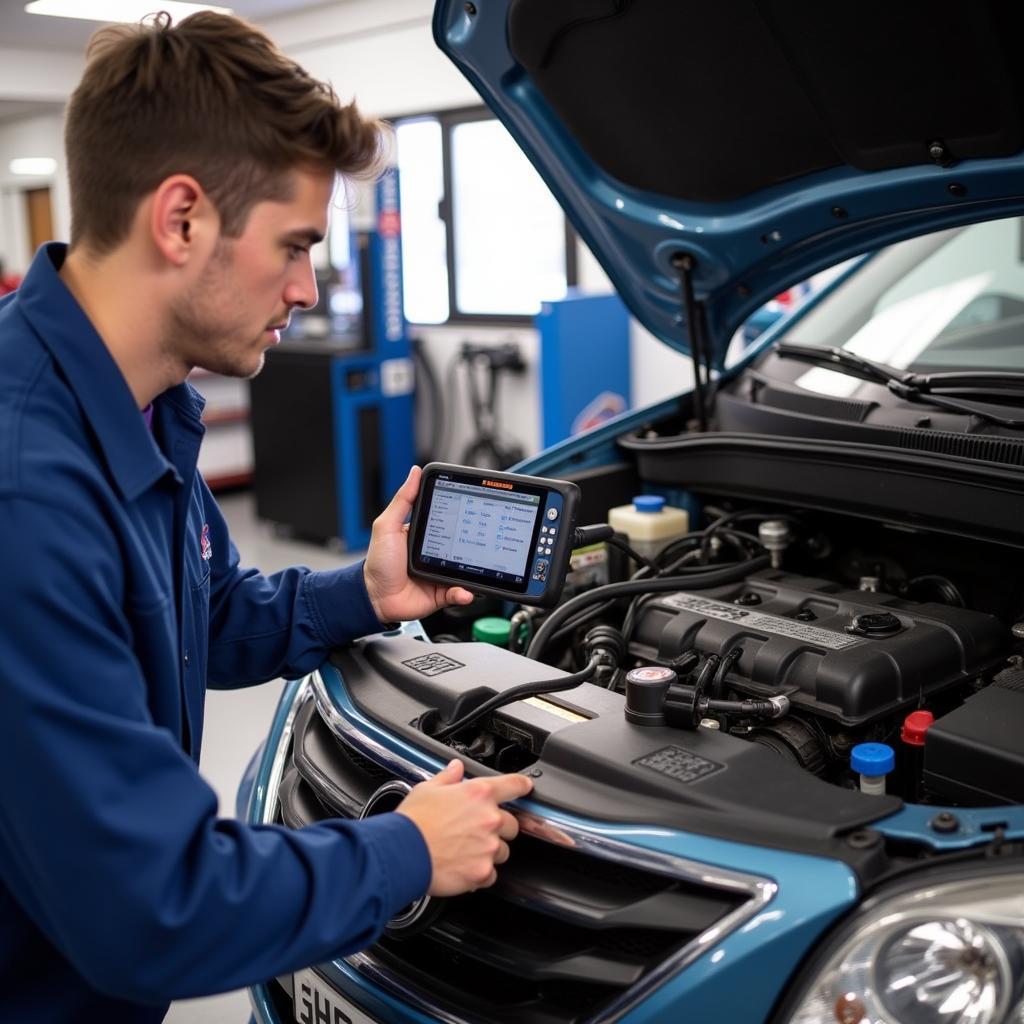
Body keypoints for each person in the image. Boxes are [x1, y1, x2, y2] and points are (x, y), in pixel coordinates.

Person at [0, 12, 532, 1023]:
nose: (303, 288)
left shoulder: (137, 406)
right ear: (182, 219)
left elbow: (199, 616)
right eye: (293, 246)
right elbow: (150, 910)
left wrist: (368, 592)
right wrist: (408, 848)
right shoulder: (26, 492)